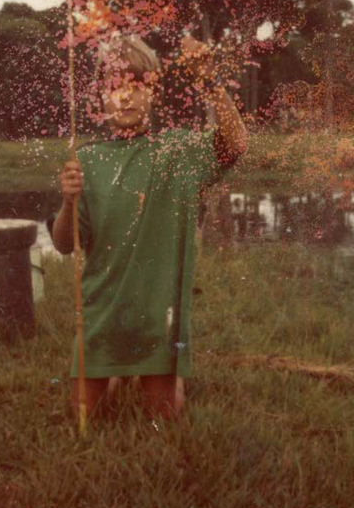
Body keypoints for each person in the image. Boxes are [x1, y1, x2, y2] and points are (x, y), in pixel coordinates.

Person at [50, 33, 248, 420]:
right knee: (84, 416)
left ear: (153, 92)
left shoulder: (177, 151)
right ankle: (114, 374)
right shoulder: (87, 160)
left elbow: (236, 143)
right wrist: (68, 200)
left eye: (137, 85)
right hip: (102, 315)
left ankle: (162, 376)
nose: (125, 96)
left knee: (164, 418)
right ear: (101, 98)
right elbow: (63, 245)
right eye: (114, 87)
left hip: (158, 317)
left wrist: (209, 81)